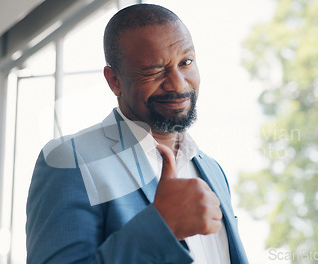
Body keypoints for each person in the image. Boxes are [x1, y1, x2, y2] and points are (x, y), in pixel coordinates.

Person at [26, 4, 248, 264]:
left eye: (185, 62)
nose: (178, 83)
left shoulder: (213, 170)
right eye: (154, 71)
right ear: (114, 81)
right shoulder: (69, 161)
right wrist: (162, 226)